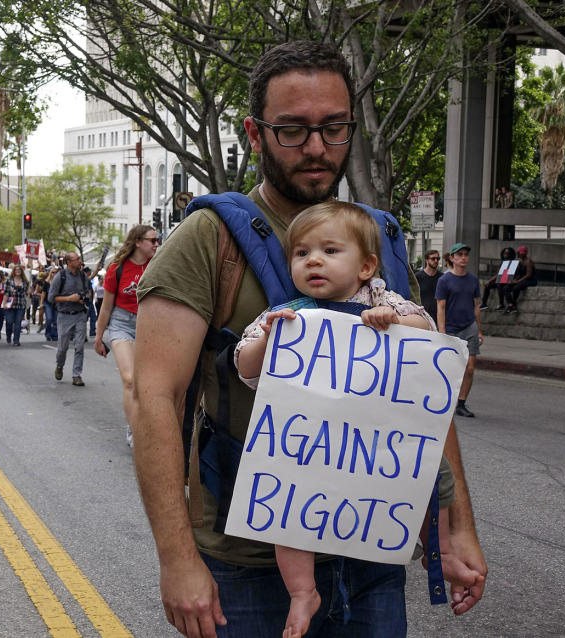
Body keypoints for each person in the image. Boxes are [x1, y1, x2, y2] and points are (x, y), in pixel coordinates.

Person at [133, 40, 486, 638]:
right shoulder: (207, 238)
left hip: (371, 553)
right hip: (248, 564)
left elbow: (422, 403)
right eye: (293, 130)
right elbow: (153, 400)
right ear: (255, 134)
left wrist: (455, 529)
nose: (318, 148)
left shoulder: (377, 241)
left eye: (334, 128)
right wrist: (176, 558)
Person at [233, 202, 436, 637]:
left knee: (383, 499)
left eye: (329, 250)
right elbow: (245, 367)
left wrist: (395, 321)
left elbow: (430, 335)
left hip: (368, 449)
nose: (314, 261)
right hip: (308, 448)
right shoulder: (291, 313)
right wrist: (269, 338)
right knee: (287, 516)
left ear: (366, 266)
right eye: (301, 253)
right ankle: (303, 592)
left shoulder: (381, 298)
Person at [94, 224, 159, 447]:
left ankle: (147, 423)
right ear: (138, 242)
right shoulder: (117, 268)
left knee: (148, 382)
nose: (156, 244)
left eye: (157, 240)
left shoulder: (158, 265)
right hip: (122, 323)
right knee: (130, 380)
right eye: (152, 240)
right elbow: (106, 307)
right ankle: (135, 430)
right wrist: (99, 336)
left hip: (150, 325)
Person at [436, 243, 483, 419]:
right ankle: (444, 401)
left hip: (469, 326)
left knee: (470, 368)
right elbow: (441, 307)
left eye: (466, 254)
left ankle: (461, 403)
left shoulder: (472, 280)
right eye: (460, 254)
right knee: (451, 368)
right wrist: (442, 331)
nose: (464, 257)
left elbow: (476, 306)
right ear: (452, 259)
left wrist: (479, 330)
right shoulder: (444, 281)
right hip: (452, 329)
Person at [52, 252, 92, 387]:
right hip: (64, 316)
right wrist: (69, 298)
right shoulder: (60, 277)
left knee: (79, 346)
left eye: (79, 259)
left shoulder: (83, 276)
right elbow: (51, 298)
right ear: (69, 262)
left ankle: (76, 375)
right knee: (62, 348)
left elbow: (88, 292)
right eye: (77, 259)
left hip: (80, 315)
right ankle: (59, 365)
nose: (79, 261)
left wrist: (84, 299)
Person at [1, 264, 29, 345]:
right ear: (14, 271)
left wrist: (29, 290)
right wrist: (5, 303)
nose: (17, 271)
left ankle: (16, 340)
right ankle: (8, 335)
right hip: (11, 305)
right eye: (16, 270)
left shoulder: (25, 281)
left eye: (19, 270)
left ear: (21, 271)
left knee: (18, 323)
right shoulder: (9, 280)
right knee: (9, 322)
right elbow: (6, 293)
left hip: (21, 305)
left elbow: (27, 293)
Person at [480, 246, 516, 311]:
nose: (505, 255)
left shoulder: (513, 263)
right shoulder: (502, 263)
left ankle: (501, 304)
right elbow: (498, 274)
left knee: (499, 285)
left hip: (508, 281)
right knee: (488, 286)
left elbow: (512, 274)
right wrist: (489, 281)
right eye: (504, 253)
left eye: (507, 253)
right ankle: (484, 304)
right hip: (502, 279)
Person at [503, 245, 536, 313]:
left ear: (525, 254)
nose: (521, 255)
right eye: (520, 254)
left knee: (516, 288)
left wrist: (518, 281)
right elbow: (519, 274)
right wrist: (514, 280)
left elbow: (528, 275)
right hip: (521, 279)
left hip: (530, 280)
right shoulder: (520, 262)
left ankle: (513, 305)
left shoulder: (528, 262)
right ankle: (510, 305)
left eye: (523, 254)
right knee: (506, 288)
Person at [415, 249, 442, 323]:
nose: (436, 261)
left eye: (438, 258)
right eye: (433, 259)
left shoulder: (442, 278)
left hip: (438, 317)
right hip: (422, 316)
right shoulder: (418, 277)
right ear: (426, 260)